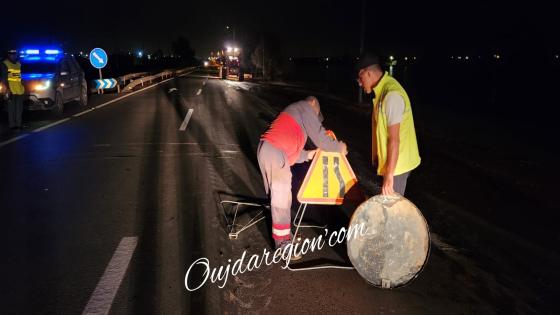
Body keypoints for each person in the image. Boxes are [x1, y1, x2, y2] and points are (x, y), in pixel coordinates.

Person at [257, 96, 347, 258]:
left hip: (271, 150)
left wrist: (308, 155)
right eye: (316, 115)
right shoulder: (304, 107)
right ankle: (283, 245)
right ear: (313, 103)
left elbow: (293, 152)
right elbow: (321, 138)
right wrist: (339, 147)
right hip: (274, 151)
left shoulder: (296, 117)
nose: (315, 119)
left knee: (278, 199)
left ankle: (284, 237)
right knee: (281, 199)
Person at [356, 53, 420, 196]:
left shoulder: (391, 95)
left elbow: (394, 139)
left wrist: (389, 175)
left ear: (368, 73)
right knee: (389, 203)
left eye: (360, 78)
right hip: (392, 162)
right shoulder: (382, 92)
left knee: (391, 208)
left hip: (398, 165)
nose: (359, 83)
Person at [1, 49, 25, 130]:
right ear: (8, 55)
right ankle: (12, 125)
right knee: (11, 109)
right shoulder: (5, 64)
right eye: (11, 54)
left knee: (19, 109)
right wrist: (6, 90)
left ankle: (18, 124)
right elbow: (4, 79)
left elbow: (20, 77)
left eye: (14, 54)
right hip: (10, 90)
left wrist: (22, 86)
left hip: (19, 90)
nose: (13, 55)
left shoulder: (18, 64)